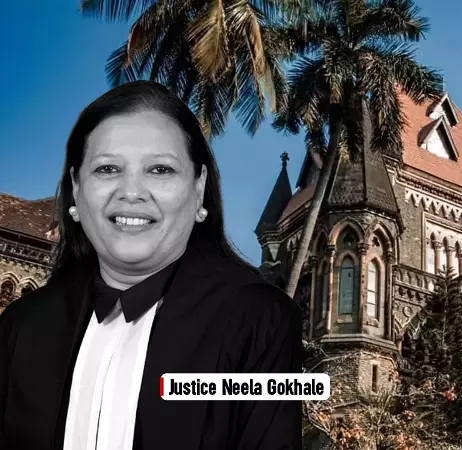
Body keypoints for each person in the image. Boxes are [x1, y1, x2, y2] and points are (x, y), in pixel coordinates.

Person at [0, 81, 303, 450]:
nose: (131, 192)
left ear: (199, 189)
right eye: (107, 168)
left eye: (160, 169)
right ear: (76, 188)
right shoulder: (20, 327)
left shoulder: (258, 321)